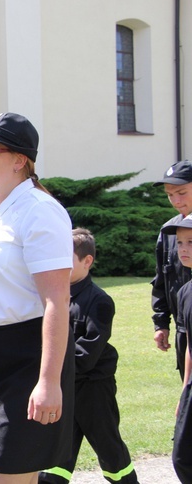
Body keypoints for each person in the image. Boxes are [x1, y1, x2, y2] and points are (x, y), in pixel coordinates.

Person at [0, 112, 75, 483]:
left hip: (27, 358)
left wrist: (49, 381)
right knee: (9, 473)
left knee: (6, 477)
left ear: (20, 160)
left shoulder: (39, 211)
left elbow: (57, 300)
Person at [39, 228, 137, 484]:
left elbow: (86, 354)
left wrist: (51, 368)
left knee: (110, 452)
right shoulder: (54, 298)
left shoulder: (99, 301)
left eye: (66, 259)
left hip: (94, 390)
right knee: (56, 457)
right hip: (63, 388)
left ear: (87, 261)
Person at [152, 160, 192, 381]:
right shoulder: (168, 231)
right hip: (184, 329)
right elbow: (162, 279)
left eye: (182, 193)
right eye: (170, 195)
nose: (176, 201)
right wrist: (161, 323)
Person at [161, 214, 192, 482]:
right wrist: (184, 391)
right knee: (183, 457)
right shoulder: (185, 292)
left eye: (191, 242)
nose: (183, 249)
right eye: (180, 242)